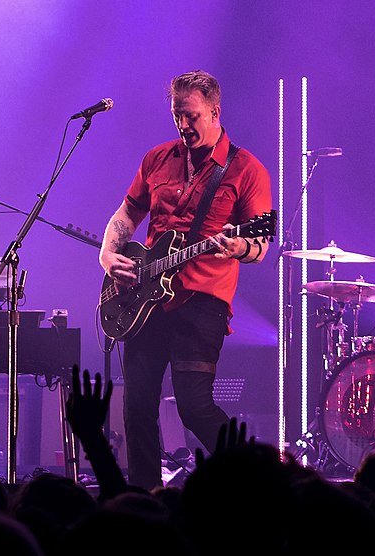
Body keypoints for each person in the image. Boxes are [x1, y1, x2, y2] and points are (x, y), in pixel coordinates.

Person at [98, 69, 273, 490]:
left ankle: (258, 481)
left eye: (191, 116)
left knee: (194, 408)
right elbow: (126, 215)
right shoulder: (158, 158)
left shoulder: (246, 169)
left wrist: (238, 248)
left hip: (203, 301)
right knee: (137, 405)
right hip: (146, 298)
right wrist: (108, 255)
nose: (183, 124)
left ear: (215, 112)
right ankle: (141, 501)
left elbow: (261, 245)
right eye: (177, 115)